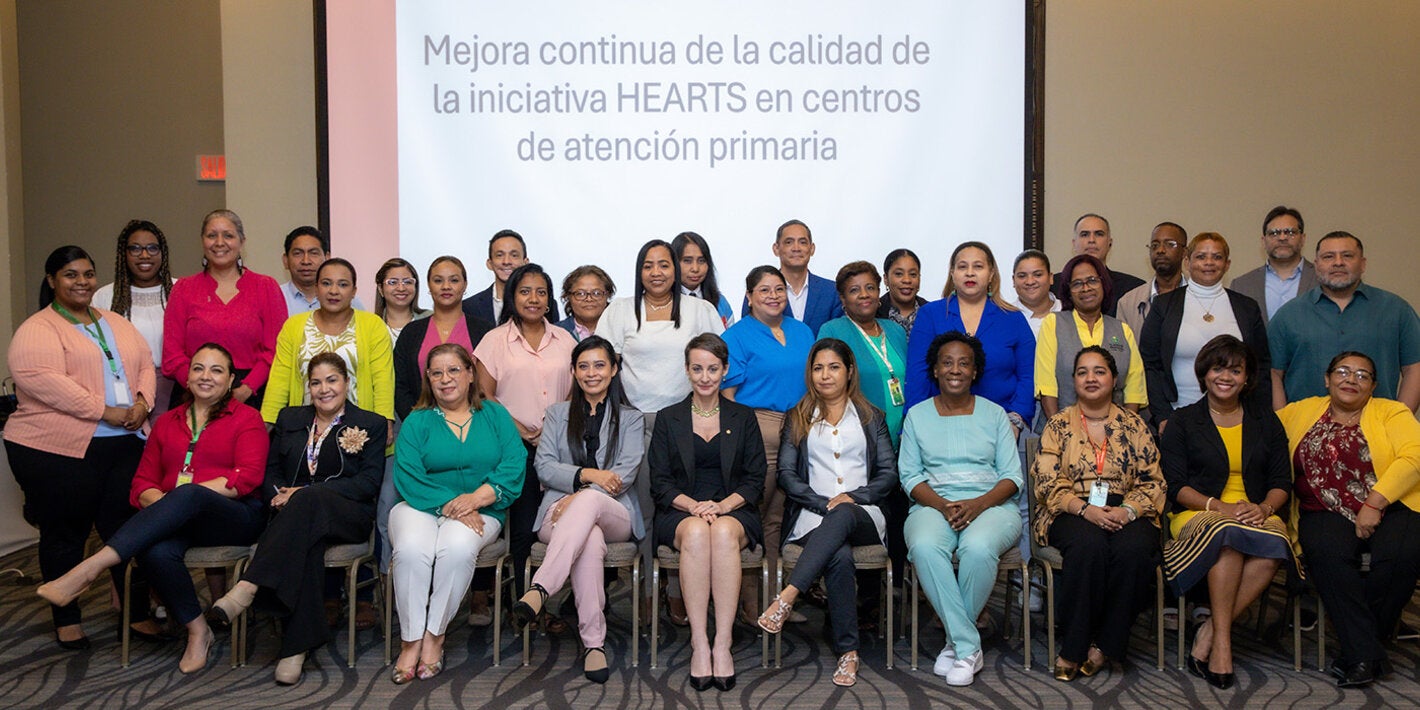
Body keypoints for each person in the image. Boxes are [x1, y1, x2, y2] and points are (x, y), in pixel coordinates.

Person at [37, 343, 268, 674]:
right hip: (178, 518)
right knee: (155, 552)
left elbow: (245, 478)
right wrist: (169, 505)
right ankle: (198, 630)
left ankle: (89, 569)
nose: (206, 376)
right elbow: (142, 483)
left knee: (187, 494)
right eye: (198, 368)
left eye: (217, 370)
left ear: (231, 380)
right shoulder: (166, 423)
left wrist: (181, 498)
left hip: (234, 516)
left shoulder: (247, 418)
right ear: (187, 377)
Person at [5, 246, 158, 650]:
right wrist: (103, 409)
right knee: (65, 533)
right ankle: (67, 619)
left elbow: (144, 363)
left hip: (124, 444)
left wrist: (143, 403)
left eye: (88, 274)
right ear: (52, 280)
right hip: (57, 450)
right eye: (71, 275)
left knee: (128, 532)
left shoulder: (114, 321)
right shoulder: (37, 329)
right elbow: (40, 379)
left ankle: (136, 612)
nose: (82, 282)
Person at [208, 353, 387, 685]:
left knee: (309, 498)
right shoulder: (290, 418)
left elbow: (367, 484)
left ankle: (248, 586)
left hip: (348, 517)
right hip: (294, 517)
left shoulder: (371, 424)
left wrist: (301, 492)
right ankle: (294, 650)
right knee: (306, 544)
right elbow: (270, 472)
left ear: (347, 383)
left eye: (332, 380)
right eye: (316, 382)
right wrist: (279, 494)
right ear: (308, 387)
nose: (324, 389)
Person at [596, 239, 724, 619]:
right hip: (636, 424)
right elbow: (602, 366)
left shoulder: (700, 310)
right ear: (639, 271)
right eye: (648, 265)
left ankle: (677, 589)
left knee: (683, 506)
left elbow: (717, 359)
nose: (657, 272)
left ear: (676, 269)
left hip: (688, 423)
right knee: (645, 510)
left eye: (664, 264)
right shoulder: (620, 312)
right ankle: (647, 590)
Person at [756, 339, 896, 687]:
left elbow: (888, 474)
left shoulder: (871, 416)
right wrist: (823, 503)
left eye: (834, 367)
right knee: (840, 557)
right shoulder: (797, 417)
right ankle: (849, 652)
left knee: (845, 514)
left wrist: (853, 497)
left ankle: (787, 595)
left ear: (849, 371)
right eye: (818, 368)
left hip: (864, 515)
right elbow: (787, 474)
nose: (825, 375)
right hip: (813, 516)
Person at [1278, 351, 1420, 688]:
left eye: (1362, 375)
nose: (1350, 379)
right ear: (1327, 379)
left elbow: (1415, 454)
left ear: (1373, 386)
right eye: (1342, 371)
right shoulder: (1299, 412)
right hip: (1323, 509)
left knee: (1401, 556)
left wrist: (1374, 502)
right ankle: (1367, 652)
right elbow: (1259, 432)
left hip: (1392, 504)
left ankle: (1361, 648)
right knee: (1327, 554)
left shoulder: (1391, 412)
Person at [1159, 335, 1293, 689]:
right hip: (1199, 510)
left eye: (1236, 370)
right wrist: (1219, 507)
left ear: (1247, 378)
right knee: (1227, 535)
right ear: (1204, 374)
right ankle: (1222, 646)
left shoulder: (1267, 421)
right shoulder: (1183, 422)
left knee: (1276, 542)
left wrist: (1263, 507)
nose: (1226, 377)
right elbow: (1175, 486)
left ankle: (1210, 631)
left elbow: (1281, 481)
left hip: (1254, 510)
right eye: (1219, 368)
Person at [511, 336, 645, 684]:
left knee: (589, 506)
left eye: (600, 365)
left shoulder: (631, 418)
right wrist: (587, 475)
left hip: (615, 511)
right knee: (589, 539)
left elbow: (624, 476)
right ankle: (594, 644)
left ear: (614, 369)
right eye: (583, 366)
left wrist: (580, 492)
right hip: (558, 513)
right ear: (573, 371)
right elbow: (544, 466)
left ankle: (540, 589)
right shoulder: (557, 414)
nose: (591, 373)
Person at [387, 343, 524, 683]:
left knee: (457, 548)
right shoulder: (418, 421)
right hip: (420, 506)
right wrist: (454, 504)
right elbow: (407, 475)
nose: (445, 379)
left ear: (469, 373)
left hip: (483, 509)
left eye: (453, 370)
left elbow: (514, 463)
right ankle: (410, 640)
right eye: (437, 373)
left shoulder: (494, 414)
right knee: (411, 551)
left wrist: (475, 499)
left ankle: (434, 636)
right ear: (428, 380)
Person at [1032, 346, 1164, 681]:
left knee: (1133, 550)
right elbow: (1045, 480)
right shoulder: (1058, 424)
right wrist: (1084, 510)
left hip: (1129, 508)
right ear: (1073, 380)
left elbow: (1154, 481)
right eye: (1082, 372)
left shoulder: (1134, 424)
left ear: (1114, 379)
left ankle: (1106, 644)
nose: (1091, 378)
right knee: (1089, 546)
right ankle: (1074, 646)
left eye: (1099, 371)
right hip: (1070, 509)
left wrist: (1129, 511)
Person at [899, 332, 1023, 686]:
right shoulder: (917, 416)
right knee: (923, 546)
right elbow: (909, 476)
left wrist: (978, 504)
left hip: (992, 506)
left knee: (978, 548)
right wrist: (942, 504)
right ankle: (968, 644)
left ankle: (956, 644)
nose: (955, 369)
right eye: (947, 362)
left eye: (964, 363)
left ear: (975, 371)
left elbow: (1012, 477)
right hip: (932, 505)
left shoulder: (996, 415)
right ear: (935, 370)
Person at [387, 256, 493, 621]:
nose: (446, 286)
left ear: (465, 285)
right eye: (437, 279)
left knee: (475, 518)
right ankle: (425, 600)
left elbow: (490, 381)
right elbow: (401, 384)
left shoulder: (483, 327)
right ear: (427, 286)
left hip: (474, 428)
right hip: (423, 428)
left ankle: (479, 595)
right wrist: (421, 417)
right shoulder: (413, 333)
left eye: (454, 279)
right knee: (418, 520)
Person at [474, 263, 577, 593]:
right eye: (525, 291)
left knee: (562, 525)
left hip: (560, 448)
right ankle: (524, 599)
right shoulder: (494, 340)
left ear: (549, 300)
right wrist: (517, 428)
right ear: (511, 296)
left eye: (541, 292)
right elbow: (483, 395)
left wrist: (553, 429)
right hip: (513, 447)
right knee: (523, 529)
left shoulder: (565, 339)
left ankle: (558, 601)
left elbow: (577, 390)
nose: (533, 298)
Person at [722, 265, 815, 585]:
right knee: (751, 514)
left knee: (779, 517)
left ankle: (772, 597)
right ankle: (745, 599)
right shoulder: (735, 336)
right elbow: (728, 396)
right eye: (764, 290)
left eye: (779, 289)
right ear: (749, 297)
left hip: (801, 430)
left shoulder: (802, 331)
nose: (774, 296)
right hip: (759, 430)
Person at [1269, 231, 1420, 412]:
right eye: (1328, 257)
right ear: (1316, 266)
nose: (1338, 262)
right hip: (1305, 433)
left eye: (1347, 256)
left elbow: (1414, 368)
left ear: (1363, 264)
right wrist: (1283, 425)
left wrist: (1399, 421)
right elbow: (1273, 374)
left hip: (1378, 432)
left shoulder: (1396, 310)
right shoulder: (1289, 315)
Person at [905, 242, 1034, 437]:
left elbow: (1028, 375)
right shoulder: (930, 314)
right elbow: (917, 375)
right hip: (939, 425)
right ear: (952, 273)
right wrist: (915, 423)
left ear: (991, 274)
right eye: (963, 266)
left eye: (978, 266)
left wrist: (1015, 420)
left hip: (1000, 428)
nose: (970, 273)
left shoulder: (1013, 318)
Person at [1140, 233, 1270, 426]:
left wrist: (1258, 415)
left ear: (1227, 264)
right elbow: (1150, 364)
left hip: (1237, 418)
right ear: (1187, 261)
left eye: (1217, 257)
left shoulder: (1247, 307)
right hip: (1177, 417)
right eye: (1201, 256)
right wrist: (1163, 415)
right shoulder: (1163, 305)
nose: (1209, 262)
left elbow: (1261, 365)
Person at [162, 209, 286, 410]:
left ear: (242, 241)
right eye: (212, 235)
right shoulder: (183, 289)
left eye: (228, 235)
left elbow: (276, 350)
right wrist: (200, 388)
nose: (220, 243)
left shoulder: (265, 287)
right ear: (203, 241)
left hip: (250, 396)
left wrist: (246, 389)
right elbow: (172, 354)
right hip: (193, 395)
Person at [261, 258, 395, 426]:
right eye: (326, 283)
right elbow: (279, 379)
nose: (334, 291)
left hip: (359, 431)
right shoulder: (294, 326)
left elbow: (383, 380)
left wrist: (385, 421)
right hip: (304, 429)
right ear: (316, 288)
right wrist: (268, 420)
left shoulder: (373, 326)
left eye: (343, 284)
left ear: (354, 291)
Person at [1035, 254, 1147, 418]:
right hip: (1065, 429)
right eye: (1077, 284)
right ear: (1069, 291)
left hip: (1114, 432)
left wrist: (1122, 432)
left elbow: (1134, 389)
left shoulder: (1122, 330)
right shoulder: (1053, 323)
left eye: (1092, 280)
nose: (1086, 288)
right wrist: (1058, 432)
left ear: (1104, 284)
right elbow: (1046, 386)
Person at [818, 261, 909, 444]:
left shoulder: (895, 330)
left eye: (870, 287)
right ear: (843, 299)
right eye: (854, 290)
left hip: (904, 435)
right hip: (858, 439)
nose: (864, 295)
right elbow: (824, 386)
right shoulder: (832, 331)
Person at [93, 219, 177, 415]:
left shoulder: (180, 290)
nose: (144, 255)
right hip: (122, 387)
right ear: (124, 254)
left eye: (152, 248)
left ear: (162, 253)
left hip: (174, 388)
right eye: (135, 249)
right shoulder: (106, 296)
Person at [741, 219, 843, 335]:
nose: (796, 248)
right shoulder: (759, 291)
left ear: (812, 249)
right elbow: (748, 332)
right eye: (789, 242)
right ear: (776, 249)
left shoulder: (832, 291)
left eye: (803, 242)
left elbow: (839, 337)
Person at [1230, 206, 1318, 325]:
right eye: (1274, 233)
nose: (1282, 238)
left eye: (1290, 232)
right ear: (1263, 241)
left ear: (1303, 239)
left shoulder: (1322, 279)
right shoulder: (1242, 285)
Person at [1051, 213, 1146, 317]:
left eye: (1099, 234)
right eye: (1084, 234)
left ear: (1110, 243)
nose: (1091, 240)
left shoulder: (1133, 288)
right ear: (1074, 244)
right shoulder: (1052, 286)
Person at [461, 229, 558, 324]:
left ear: (525, 262)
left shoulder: (545, 304)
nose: (506, 261)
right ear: (489, 263)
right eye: (499, 255)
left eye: (514, 255)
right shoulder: (469, 306)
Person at [1116, 222, 1189, 337]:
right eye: (1155, 245)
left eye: (1170, 244)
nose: (1160, 250)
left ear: (1184, 252)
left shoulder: (1200, 297)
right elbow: (1122, 350)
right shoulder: (1128, 302)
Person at [278, 226, 367, 316]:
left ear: (327, 258)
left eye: (314, 253)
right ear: (286, 260)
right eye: (298, 253)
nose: (306, 261)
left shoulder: (349, 301)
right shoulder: (274, 298)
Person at [673, 231, 736, 327]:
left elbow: (730, 338)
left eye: (701, 261)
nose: (695, 268)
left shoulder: (720, 302)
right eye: (687, 261)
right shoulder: (664, 302)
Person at [373, 257, 427, 343]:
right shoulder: (370, 325)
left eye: (407, 282)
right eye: (393, 282)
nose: (401, 288)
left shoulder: (431, 319)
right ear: (380, 288)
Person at [556, 265, 616, 341]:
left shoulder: (620, 330)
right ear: (568, 297)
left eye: (596, 293)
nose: (589, 299)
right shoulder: (554, 333)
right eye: (580, 294)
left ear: (607, 295)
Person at [877, 248, 928, 338]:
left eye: (913, 274)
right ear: (886, 279)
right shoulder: (874, 313)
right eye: (899, 274)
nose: (907, 280)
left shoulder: (932, 312)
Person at [1010, 249, 1060, 339]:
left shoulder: (1069, 311)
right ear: (1013, 280)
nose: (1030, 281)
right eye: (1022, 276)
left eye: (1038, 275)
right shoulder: (1004, 317)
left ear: (1051, 278)